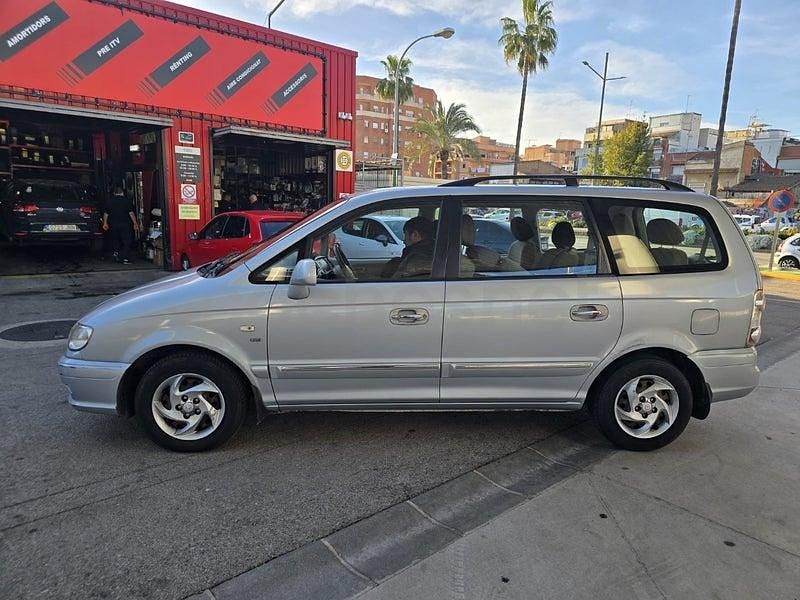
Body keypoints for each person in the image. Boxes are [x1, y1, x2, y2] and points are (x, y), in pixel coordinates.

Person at [102, 186, 138, 264]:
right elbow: (131, 213)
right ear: (122, 192)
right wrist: (135, 223)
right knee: (127, 241)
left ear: (114, 193)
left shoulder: (109, 201)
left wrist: (105, 223)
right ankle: (124, 258)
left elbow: (106, 213)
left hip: (113, 225)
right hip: (125, 225)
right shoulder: (126, 201)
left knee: (115, 240)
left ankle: (116, 255)